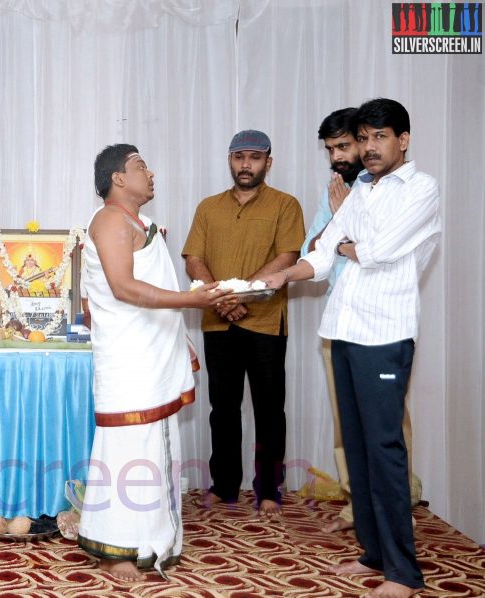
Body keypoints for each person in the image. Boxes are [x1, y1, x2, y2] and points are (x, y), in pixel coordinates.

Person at [262, 98, 438, 598]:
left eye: (379, 137)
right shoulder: (360, 187)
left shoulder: (421, 188)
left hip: (384, 335)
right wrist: (278, 276)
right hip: (344, 330)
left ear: (402, 140)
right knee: (358, 449)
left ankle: (404, 573)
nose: (369, 147)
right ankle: (374, 553)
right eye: (363, 138)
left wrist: (345, 244)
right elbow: (321, 253)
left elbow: (378, 251)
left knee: (384, 450)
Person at [77, 144, 233, 582]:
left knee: (156, 446)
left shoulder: (139, 223)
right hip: (128, 359)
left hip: (149, 354)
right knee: (129, 450)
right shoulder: (110, 220)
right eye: (140, 166)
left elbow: (146, 288)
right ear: (118, 178)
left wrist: (177, 338)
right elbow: (124, 288)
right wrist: (191, 299)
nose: (151, 172)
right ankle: (115, 550)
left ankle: (151, 541)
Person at [305, 108, 422, 534]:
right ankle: (359, 507)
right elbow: (315, 247)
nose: (337, 156)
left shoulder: (404, 190)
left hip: (382, 325)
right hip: (339, 317)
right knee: (346, 422)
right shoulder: (334, 189)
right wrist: (339, 226)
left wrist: (345, 230)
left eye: (344, 146)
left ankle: (398, 503)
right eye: (331, 149)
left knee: (387, 426)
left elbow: (377, 248)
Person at [182, 130, 305, 515]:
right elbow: (193, 260)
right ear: (230, 160)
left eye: (254, 157)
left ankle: (269, 488)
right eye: (239, 157)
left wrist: (241, 295)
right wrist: (222, 300)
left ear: (268, 161)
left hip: (266, 321)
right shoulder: (208, 207)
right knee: (223, 407)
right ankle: (224, 485)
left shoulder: (285, 205)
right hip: (218, 322)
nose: (245, 165)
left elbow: (287, 258)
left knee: (269, 407)